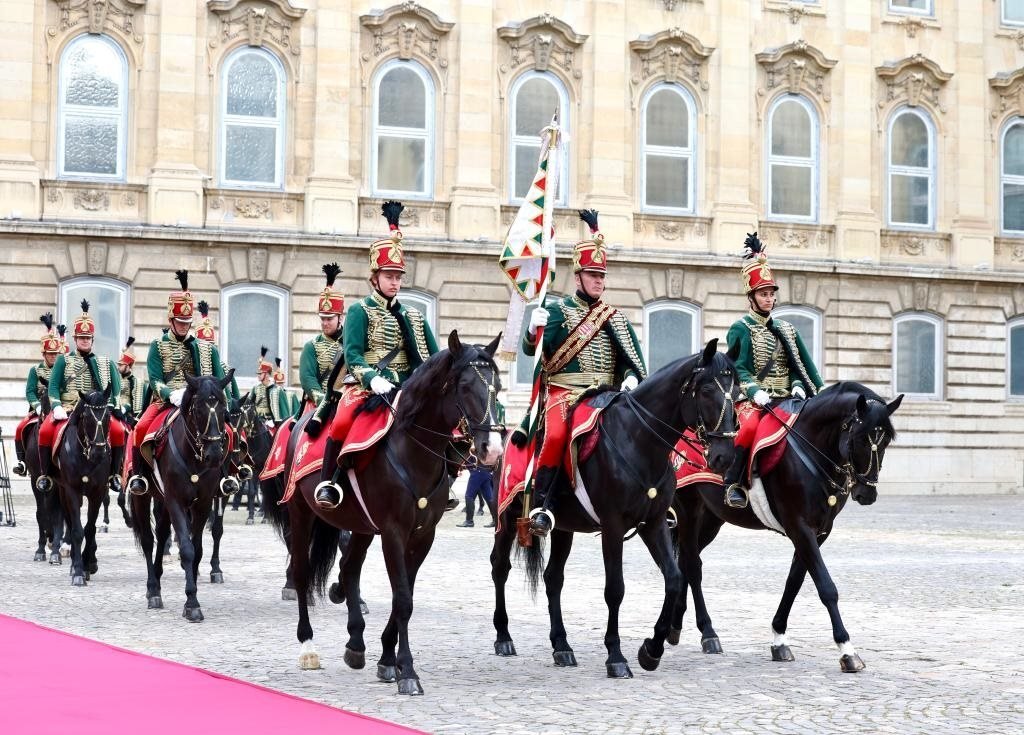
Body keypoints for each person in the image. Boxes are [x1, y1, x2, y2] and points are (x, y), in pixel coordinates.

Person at [521, 210, 647, 536]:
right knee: (556, 436)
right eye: (592, 275)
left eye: (601, 275)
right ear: (578, 278)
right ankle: (543, 505)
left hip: (607, 395)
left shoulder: (614, 317)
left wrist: (631, 377)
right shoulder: (557, 311)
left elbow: (631, 360)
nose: (598, 281)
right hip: (565, 392)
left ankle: (653, 500)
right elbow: (531, 351)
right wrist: (533, 331)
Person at [313, 201, 439, 509]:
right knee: (342, 421)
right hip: (367, 386)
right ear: (375, 277)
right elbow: (353, 356)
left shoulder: (414, 315)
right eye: (389, 275)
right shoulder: (359, 310)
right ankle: (329, 483)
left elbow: (433, 360)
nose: (395, 282)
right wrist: (372, 378)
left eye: (398, 276)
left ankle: (442, 484)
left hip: (407, 386)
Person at [720, 233, 825, 509]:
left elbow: (800, 366)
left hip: (787, 398)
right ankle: (734, 482)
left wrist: (799, 385)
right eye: (763, 294)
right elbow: (738, 367)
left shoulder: (787, 330)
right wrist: (755, 391)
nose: (768, 299)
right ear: (751, 297)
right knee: (748, 428)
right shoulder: (741, 328)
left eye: (771, 294)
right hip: (755, 400)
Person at [125, 271, 232, 496]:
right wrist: (169, 393)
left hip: (199, 401)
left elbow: (217, 378)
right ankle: (140, 476)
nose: (184, 326)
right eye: (180, 322)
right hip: (167, 400)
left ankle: (226, 476)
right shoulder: (158, 345)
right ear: (170, 320)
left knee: (229, 432)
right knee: (141, 428)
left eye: (187, 322)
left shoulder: (207, 348)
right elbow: (155, 379)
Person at [35, 300, 127, 493]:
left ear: (92, 340)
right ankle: (46, 475)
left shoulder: (105, 362)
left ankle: (114, 475)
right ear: (75, 339)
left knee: (118, 431)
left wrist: (113, 407)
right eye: (81, 337)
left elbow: (116, 390)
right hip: (68, 408)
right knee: (44, 431)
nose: (85, 341)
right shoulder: (63, 360)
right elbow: (53, 387)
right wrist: (56, 406)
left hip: (95, 410)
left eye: (88, 338)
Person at [12, 313, 62, 477]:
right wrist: (38, 406)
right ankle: (21, 461)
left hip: (60, 408)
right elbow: (30, 391)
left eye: (55, 353)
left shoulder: (62, 369)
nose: (53, 356)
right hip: (39, 408)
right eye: (50, 353)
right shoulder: (35, 370)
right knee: (20, 428)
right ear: (44, 354)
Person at [299, 263, 345, 416]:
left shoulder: (351, 343)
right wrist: (323, 401)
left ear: (340, 318)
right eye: (322, 319)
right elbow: (307, 378)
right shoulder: (311, 346)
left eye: (329, 319)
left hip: (345, 402)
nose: (325, 323)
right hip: (317, 404)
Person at [251, 346, 287, 428]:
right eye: (258, 373)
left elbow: (283, 410)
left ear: (267, 374)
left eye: (260, 373)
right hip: (256, 421)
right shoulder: (255, 388)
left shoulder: (276, 390)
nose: (258, 375)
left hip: (271, 422)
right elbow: (249, 403)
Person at [116, 337, 149, 421]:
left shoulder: (138, 382)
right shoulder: (116, 379)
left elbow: (140, 406)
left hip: (129, 418)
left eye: (121, 365)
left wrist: (125, 408)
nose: (118, 367)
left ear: (128, 366)